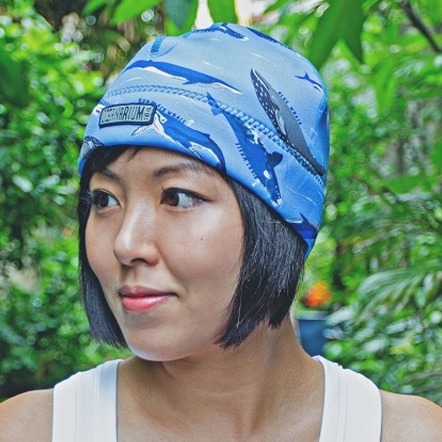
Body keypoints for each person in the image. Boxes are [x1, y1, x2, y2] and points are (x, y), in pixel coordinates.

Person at [0, 23, 441, 442]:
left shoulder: (407, 433)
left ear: (279, 217)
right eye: (104, 199)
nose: (126, 244)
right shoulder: (28, 431)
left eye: (177, 197)